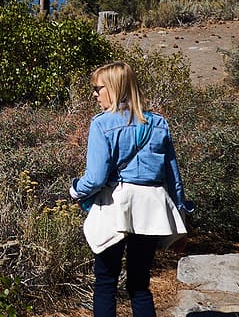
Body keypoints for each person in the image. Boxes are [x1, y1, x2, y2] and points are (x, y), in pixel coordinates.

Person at [69, 60, 190, 317]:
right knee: (140, 285)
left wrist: (75, 189)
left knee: (105, 283)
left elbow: (96, 177)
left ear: (112, 88)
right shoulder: (158, 123)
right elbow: (173, 176)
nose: (94, 94)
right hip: (152, 209)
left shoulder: (102, 124)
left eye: (98, 88)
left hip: (115, 207)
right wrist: (181, 215)